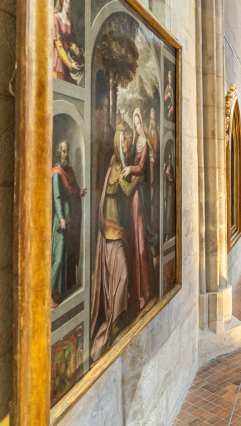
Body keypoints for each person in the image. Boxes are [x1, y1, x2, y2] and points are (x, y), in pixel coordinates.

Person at [89, 129, 136, 361]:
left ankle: (117, 318)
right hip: (111, 229)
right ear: (118, 145)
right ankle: (114, 318)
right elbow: (125, 190)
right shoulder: (114, 169)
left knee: (118, 275)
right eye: (124, 140)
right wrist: (138, 179)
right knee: (121, 274)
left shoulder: (117, 167)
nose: (126, 142)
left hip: (115, 228)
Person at [122, 108, 158, 311]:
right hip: (132, 190)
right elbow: (129, 160)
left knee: (141, 235)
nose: (137, 127)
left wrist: (130, 169)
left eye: (138, 124)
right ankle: (136, 291)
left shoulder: (144, 144)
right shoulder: (136, 143)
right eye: (134, 125)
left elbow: (142, 166)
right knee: (133, 236)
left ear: (142, 123)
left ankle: (144, 289)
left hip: (140, 191)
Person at [52, 140, 87, 306]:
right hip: (62, 220)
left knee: (67, 255)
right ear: (59, 153)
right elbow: (57, 197)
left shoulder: (69, 171)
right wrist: (62, 218)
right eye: (64, 151)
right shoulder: (57, 173)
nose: (66, 154)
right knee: (58, 258)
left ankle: (62, 291)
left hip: (70, 218)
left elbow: (72, 190)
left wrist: (79, 193)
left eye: (67, 151)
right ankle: (50, 294)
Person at [52, 0, 85, 85]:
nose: (68, 5)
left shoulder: (70, 23)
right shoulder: (55, 18)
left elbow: (73, 43)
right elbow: (58, 45)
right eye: (66, 2)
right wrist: (69, 64)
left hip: (70, 57)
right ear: (61, 1)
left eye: (69, 3)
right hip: (59, 59)